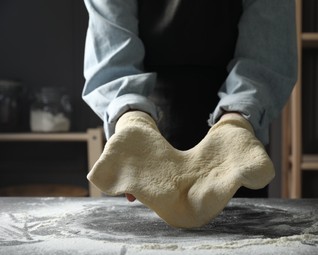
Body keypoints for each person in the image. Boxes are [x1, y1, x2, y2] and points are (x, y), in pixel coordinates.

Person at [82, 0, 297, 202]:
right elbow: (112, 51)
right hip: (145, 123)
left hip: (238, 132)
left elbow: (266, 50)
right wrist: (131, 122)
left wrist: (237, 124)